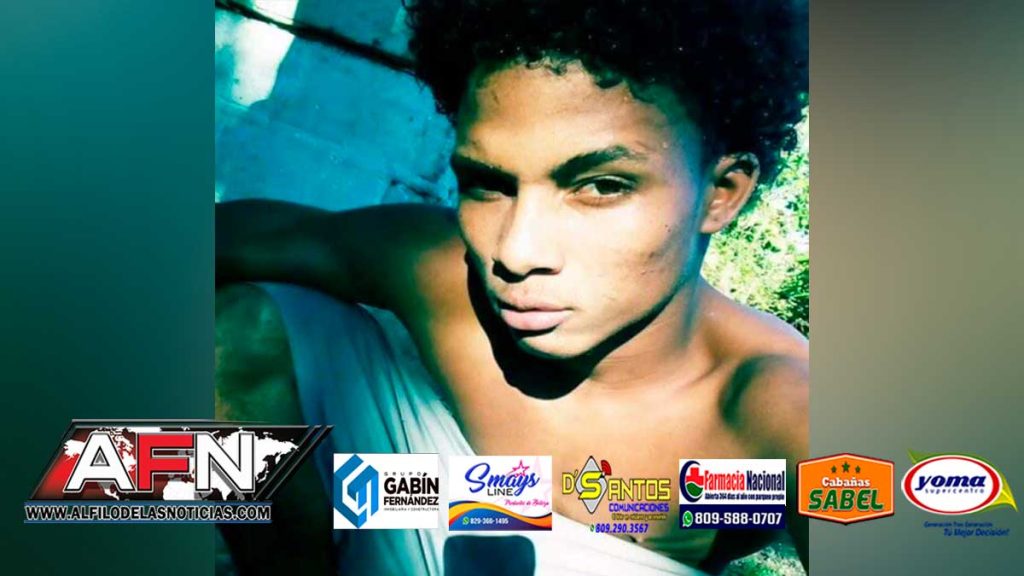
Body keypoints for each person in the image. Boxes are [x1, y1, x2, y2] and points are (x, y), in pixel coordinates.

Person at [215, 0, 808, 574]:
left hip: (588, 527)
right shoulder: (438, 272)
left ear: (721, 192)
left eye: (602, 186)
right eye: (488, 184)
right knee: (215, 358)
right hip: (423, 496)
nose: (517, 252)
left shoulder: (779, 408)